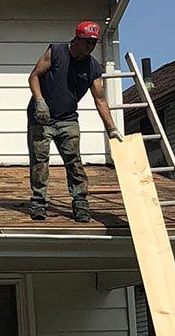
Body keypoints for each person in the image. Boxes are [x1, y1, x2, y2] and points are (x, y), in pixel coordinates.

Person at [26, 20, 123, 223]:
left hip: (68, 119)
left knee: (74, 162)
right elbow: (34, 77)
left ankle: (80, 204)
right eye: (86, 42)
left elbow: (100, 99)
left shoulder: (92, 67)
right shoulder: (57, 51)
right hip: (41, 119)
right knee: (40, 161)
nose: (90, 46)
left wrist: (112, 129)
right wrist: (40, 101)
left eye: (93, 43)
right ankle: (38, 202)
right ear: (76, 39)